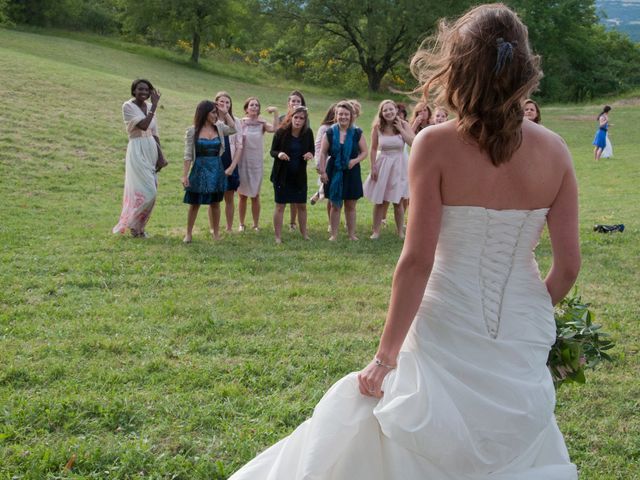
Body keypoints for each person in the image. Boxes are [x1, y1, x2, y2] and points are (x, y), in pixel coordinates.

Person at [228, 4, 580, 479]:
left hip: (447, 316)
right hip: (522, 321)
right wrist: (529, 308)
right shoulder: (555, 150)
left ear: (458, 66)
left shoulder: (435, 144)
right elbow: (568, 266)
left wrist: (384, 358)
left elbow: (417, 261)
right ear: (524, 69)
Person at [181, 100, 237, 243]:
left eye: (216, 112)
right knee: (194, 203)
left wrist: (225, 113)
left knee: (215, 203)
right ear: (204, 113)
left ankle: (216, 233)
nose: (215, 115)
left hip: (216, 169)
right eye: (213, 112)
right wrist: (185, 175)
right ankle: (188, 233)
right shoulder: (193, 131)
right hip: (199, 169)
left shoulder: (219, 127)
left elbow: (233, 128)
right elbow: (188, 155)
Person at [113, 79, 161, 238]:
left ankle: (139, 228)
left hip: (151, 149)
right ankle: (131, 223)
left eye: (147, 90)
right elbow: (143, 126)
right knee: (148, 192)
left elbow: (154, 133)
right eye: (140, 89)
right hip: (137, 149)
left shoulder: (148, 107)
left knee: (153, 189)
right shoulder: (127, 106)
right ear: (134, 91)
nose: (144, 93)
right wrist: (154, 107)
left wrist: (161, 156)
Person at [363, 100, 415, 239]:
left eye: (391, 109)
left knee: (398, 201)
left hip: (400, 164)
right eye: (385, 110)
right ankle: (376, 231)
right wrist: (373, 166)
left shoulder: (404, 124)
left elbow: (413, 142)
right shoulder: (377, 127)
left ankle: (400, 232)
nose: (388, 112)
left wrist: (402, 129)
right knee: (380, 200)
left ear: (396, 110)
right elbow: (373, 148)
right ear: (381, 113)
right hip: (383, 164)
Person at [318, 101, 368, 241]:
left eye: (346, 114)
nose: (343, 117)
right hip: (334, 170)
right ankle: (334, 234)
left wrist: (354, 160)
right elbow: (323, 153)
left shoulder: (357, 133)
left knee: (350, 205)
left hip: (352, 170)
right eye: (340, 114)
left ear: (351, 116)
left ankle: (352, 234)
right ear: (336, 115)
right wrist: (322, 172)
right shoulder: (329, 132)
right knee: (335, 204)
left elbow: (364, 152)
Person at [270, 106, 315, 243]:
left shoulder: (308, 133)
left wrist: (310, 154)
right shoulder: (281, 132)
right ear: (291, 118)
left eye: (301, 118)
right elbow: (273, 151)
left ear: (305, 120)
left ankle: (304, 234)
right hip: (282, 176)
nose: (298, 120)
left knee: (302, 205)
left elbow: (312, 150)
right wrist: (280, 154)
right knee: (280, 206)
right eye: (296, 117)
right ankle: (278, 236)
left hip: (299, 176)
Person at [237, 97, 279, 231]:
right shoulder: (241, 123)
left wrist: (276, 113)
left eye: (256, 105)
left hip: (256, 164)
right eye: (251, 105)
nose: (254, 107)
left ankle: (255, 225)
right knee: (242, 195)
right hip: (243, 162)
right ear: (246, 108)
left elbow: (275, 129)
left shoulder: (262, 123)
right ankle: (241, 224)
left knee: (255, 194)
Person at [214, 92, 244, 232]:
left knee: (229, 197)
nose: (224, 105)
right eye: (221, 102)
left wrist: (232, 167)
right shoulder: (211, 120)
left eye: (227, 103)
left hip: (230, 161)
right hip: (214, 162)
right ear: (216, 103)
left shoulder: (235, 121)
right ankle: (214, 228)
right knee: (214, 199)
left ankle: (229, 228)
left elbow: (239, 146)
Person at [279, 90, 307, 232]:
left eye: (298, 101)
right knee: (283, 197)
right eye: (293, 101)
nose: (295, 103)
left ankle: (293, 222)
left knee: (296, 197)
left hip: (298, 162)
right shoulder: (283, 119)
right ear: (288, 103)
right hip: (283, 162)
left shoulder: (304, 120)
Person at [310, 103, 337, 206]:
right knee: (328, 183)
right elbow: (317, 146)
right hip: (325, 160)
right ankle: (320, 193)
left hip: (337, 161)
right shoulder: (325, 128)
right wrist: (318, 163)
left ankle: (319, 194)